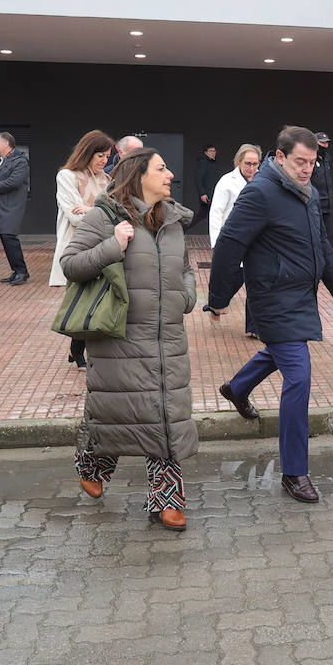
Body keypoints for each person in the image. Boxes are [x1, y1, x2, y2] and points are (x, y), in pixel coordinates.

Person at [208, 125, 333, 504]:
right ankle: (294, 471)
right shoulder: (260, 192)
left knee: (282, 354)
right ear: (281, 157)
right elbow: (228, 246)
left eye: (313, 162)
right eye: (300, 162)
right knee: (299, 376)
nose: (308, 169)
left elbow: (320, 243)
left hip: (300, 297)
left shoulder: (308, 191)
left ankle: (236, 388)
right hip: (272, 299)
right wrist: (219, 298)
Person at [61, 149, 198, 531]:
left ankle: (166, 499)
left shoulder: (171, 221)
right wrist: (112, 246)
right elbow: (70, 264)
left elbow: (185, 268)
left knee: (165, 412)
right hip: (120, 337)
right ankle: (93, 464)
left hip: (167, 337)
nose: (170, 174)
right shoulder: (104, 216)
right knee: (121, 412)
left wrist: (186, 296)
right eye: (162, 168)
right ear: (138, 175)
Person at [51, 130, 114, 370]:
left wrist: (88, 209)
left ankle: (77, 350)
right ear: (87, 152)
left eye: (107, 157)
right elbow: (73, 215)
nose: (103, 161)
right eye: (100, 155)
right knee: (81, 297)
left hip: (102, 245)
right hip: (77, 247)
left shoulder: (105, 180)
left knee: (93, 297)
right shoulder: (67, 176)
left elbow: (112, 211)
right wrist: (99, 212)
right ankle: (77, 350)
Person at [209, 143, 262, 339]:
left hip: (257, 243)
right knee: (230, 281)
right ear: (238, 162)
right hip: (233, 241)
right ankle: (216, 305)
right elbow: (216, 213)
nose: (252, 168)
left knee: (256, 284)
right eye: (248, 163)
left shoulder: (262, 181)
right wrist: (216, 242)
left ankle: (254, 327)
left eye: (256, 164)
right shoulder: (226, 182)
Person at [0, 131, 30, 285]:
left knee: (9, 237)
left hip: (12, 205)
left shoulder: (20, 161)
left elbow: (14, 182)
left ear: (6, 144)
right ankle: (17, 270)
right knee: (6, 237)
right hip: (2, 206)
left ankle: (22, 272)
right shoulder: (2, 160)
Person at [309, 131, 333, 243]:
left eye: (326, 143)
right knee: (317, 239)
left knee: (330, 238)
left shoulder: (326, 160)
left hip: (327, 206)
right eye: (322, 143)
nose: (325, 145)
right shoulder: (311, 159)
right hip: (315, 206)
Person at [191, 143, 220, 230]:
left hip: (213, 194)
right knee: (207, 215)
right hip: (207, 195)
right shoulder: (203, 162)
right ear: (205, 152)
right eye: (210, 151)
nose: (213, 153)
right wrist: (202, 193)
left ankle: (182, 228)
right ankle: (182, 228)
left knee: (203, 215)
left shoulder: (212, 163)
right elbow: (198, 179)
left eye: (214, 151)